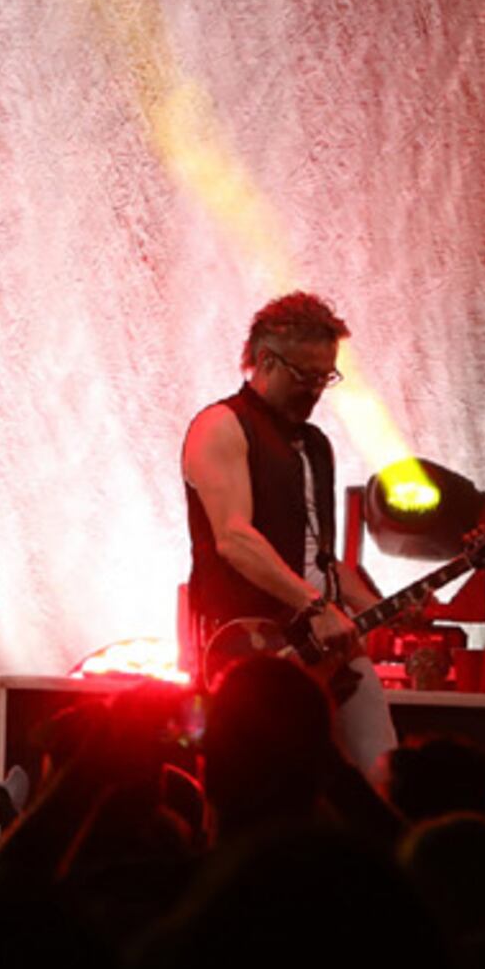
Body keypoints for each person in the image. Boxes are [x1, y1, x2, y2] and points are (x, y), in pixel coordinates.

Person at [181, 290, 393, 774]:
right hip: (254, 649)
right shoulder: (221, 425)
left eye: (326, 376)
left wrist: (375, 608)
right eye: (305, 376)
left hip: (329, 647)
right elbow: (234, 538)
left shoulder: (315, 444)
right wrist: (315, 606)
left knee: (381, 775)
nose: (317, 390)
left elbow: (322, 557)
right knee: (265, 786)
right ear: (264, 361)